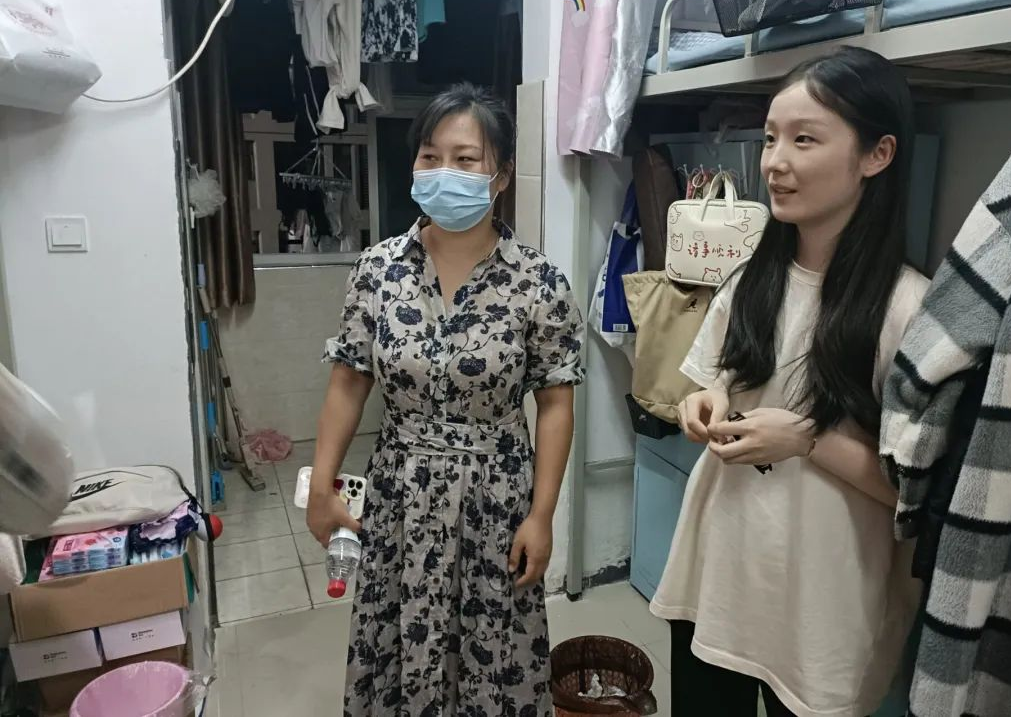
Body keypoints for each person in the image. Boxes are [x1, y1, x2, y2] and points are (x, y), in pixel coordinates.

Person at [650, 47, 929, 717]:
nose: (774, 162)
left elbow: (918, 494)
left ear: (877, 154)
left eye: (805, 139)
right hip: (719, 573)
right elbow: (715, 382)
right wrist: (706, 401)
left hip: (821, 606)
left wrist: (806, 440)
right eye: (772, 137)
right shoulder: (752, 281)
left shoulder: (911, 309)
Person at [308, 83, 585, 716]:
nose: (443, 172)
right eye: (430, 156)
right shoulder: (377, 270)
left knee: (492, 649)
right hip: (399, 494)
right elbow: (349, 381)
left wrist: (542, 516)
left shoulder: (539, 282)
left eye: (465, 159)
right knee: (398, 640)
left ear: (500, 176)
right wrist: (322, 485)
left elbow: (556, 405)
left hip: (497, 499)